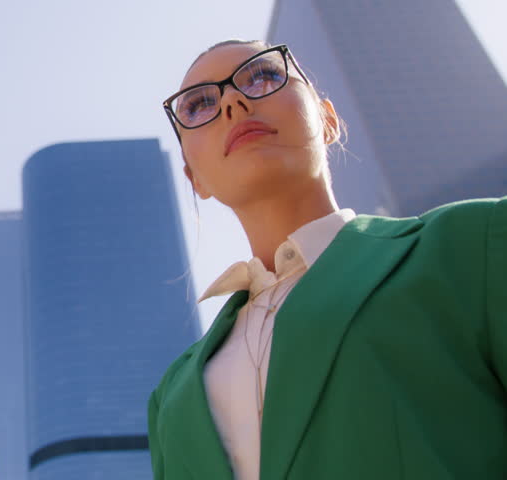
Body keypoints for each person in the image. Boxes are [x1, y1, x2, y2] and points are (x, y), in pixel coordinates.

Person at [147, 39, 506, 480]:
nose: (233, 102)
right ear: (194, 177)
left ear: (327, 119)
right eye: (199, 105)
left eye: (262, 75)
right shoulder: (171, 396)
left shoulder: (473, 243)